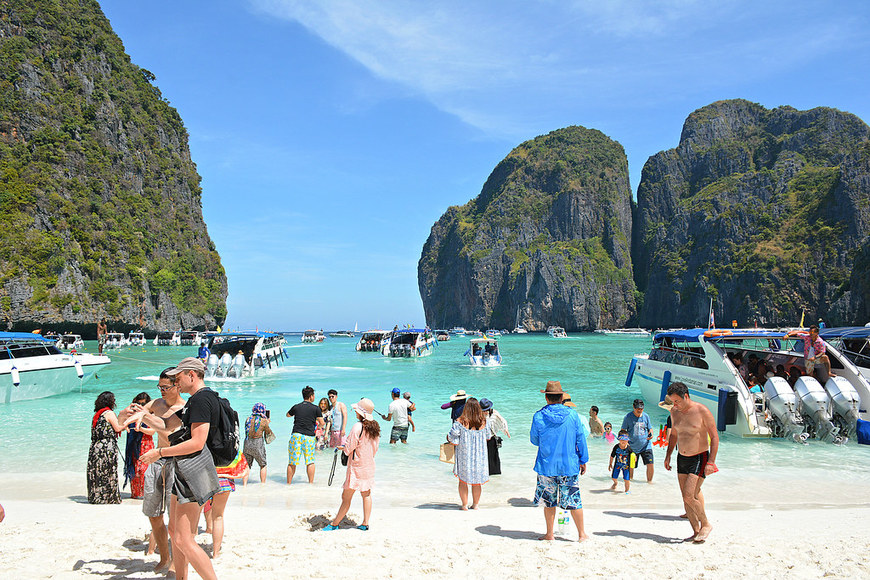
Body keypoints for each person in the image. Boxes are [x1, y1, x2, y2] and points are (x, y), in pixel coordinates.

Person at [133, 357, 221, 580]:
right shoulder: (195, 400)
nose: (176, 381)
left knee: (183, 538)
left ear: (191, 375)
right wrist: (143, 415)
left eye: (179, 376)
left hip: (194, 470)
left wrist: (159, 453)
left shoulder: (201, 400)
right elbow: (167, 425)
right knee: (175, 532)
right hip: (183, 470)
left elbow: (197, 442)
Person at [133, 368, 186, 572]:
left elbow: (167, 428)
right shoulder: (156, 403)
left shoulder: (184, 408)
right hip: (156, 463)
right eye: (160, 387)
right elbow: (141, 412)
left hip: (175, 462)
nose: (162, 391)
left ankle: (174, 562)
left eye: (166, 387)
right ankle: (164, 557)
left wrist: (144, 417)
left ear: (178, 386)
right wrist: (132, 415)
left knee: (175, 519)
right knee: (153, 514)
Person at [530, 380, 589, 542]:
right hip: (569, 465)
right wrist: (583, 460)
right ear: (561, 396)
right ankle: (582, 535)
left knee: (549, 502)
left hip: (546, 465)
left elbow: (534, 440)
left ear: (547, 398)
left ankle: (550, 534)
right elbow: (580, 439)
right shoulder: (573, 415)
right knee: (574, 501)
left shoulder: (539, 416)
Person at [664, 381, 719, 544]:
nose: (674, 405)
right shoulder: (674, 412)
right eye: (672, 402)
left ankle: (706, 524)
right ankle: (696, 531)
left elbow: (715, 437)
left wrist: (711, 462)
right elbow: (674, 435)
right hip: (682, 457)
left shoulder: (701, 410)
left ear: (686, 396)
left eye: (677, 401)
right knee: (685, 497)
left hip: (699, 457)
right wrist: (668, 456)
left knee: (690, 495)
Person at [323, 398, 380, 531]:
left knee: (346, 497)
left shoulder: (358, 426)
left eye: (356, 410)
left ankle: (334, 524)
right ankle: (365, 523)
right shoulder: (375, 428)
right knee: (366, 494)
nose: (355, 411)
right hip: (369, 465)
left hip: (356, 467)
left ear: (361, 412)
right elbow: (374, 448)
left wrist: (343, 448)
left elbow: (349, 448)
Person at [447, 397, 491, 510]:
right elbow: (488, 437)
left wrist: (448, 438)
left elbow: (453, 438)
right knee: (477, 482)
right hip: (480, 456)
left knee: (463, 481)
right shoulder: (485, 422)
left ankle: (464, 505)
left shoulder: (459, 421)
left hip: (464, 455)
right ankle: (475, 505)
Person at [88, 391, 125, 504]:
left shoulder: (98, 415)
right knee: (108, 471)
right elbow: (118, 428)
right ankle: (109, 498)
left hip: (95, 446)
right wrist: (129, 423)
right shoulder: (109, 413)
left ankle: (97, 497)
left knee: (98, 471)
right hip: (106, 446)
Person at [286, 385, 324, 484]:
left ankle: (288, 484)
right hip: (309, 437)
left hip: (296, 435)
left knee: (292, 462)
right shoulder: (316, 408)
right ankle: (310, 483)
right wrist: (317, 422)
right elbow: (322, 422)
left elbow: (288, 415)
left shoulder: (296, 406)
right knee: (310, 461)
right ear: (311, 396)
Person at [124, 392, 155, 500]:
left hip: (146, 444)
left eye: (143, 404)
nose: (141, 406)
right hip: (134, 445)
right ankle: (136, 494)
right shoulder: (131, 415)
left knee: (144, 470)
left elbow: (152, 431)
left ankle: (146, 494)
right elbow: (122, 423)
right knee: (135, 469)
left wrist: (141, 429)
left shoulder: (151, 415)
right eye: (139, 403)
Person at [621, 399, 654, 483]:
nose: (639, 410)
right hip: (632, 447)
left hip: (646, 445)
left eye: (641, 409)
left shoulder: (646, 416)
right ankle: (631, 483)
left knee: (650, 464)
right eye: (637, 408)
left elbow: (650, 428)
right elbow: (623, 430)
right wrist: (624, 444)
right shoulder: (628, 417)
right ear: (633, 407)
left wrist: (651, 433)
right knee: (631, 466)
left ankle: (649, 483)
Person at [480, 398, 509, 476]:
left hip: (491, 439)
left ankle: (495, 482)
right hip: (481, 440)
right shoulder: (478, 414)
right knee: (482, 461)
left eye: (486, 409)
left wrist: (506, 429)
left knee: (494, 461)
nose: (485, 412)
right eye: (484, 410)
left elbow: (502, 421)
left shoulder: (494, 413)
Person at [243, 403, 270, 485]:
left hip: (247, 443)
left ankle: (244, 485)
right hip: (258, 444)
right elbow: (268, 433)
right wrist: (267, 423)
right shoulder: (263, 421)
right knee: (263, 465)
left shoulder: (248, 419)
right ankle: (263, 485)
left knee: (247, 465)